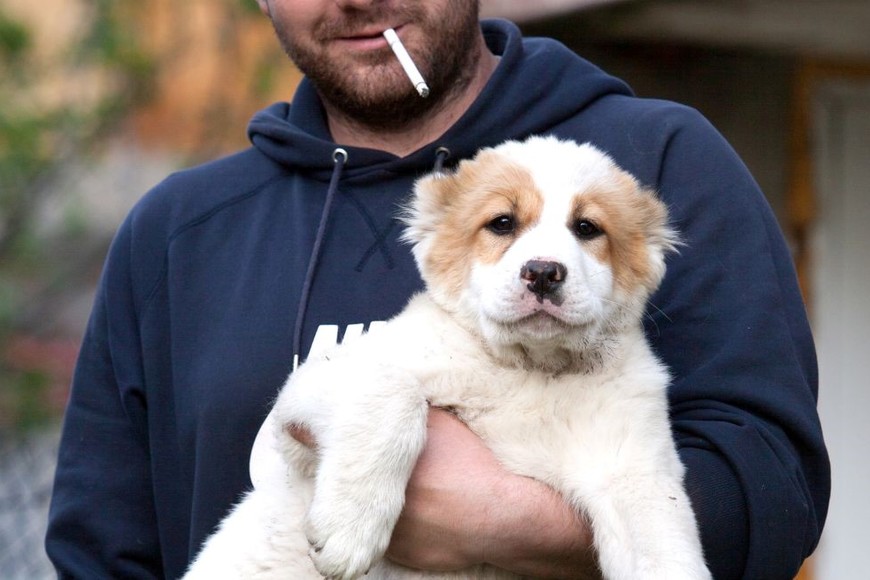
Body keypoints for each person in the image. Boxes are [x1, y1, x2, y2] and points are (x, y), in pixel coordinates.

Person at [46, 1, 829, 578]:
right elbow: (101, 552)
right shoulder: (179, 231)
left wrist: (513, 521)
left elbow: (774, 489)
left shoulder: (657, 162)